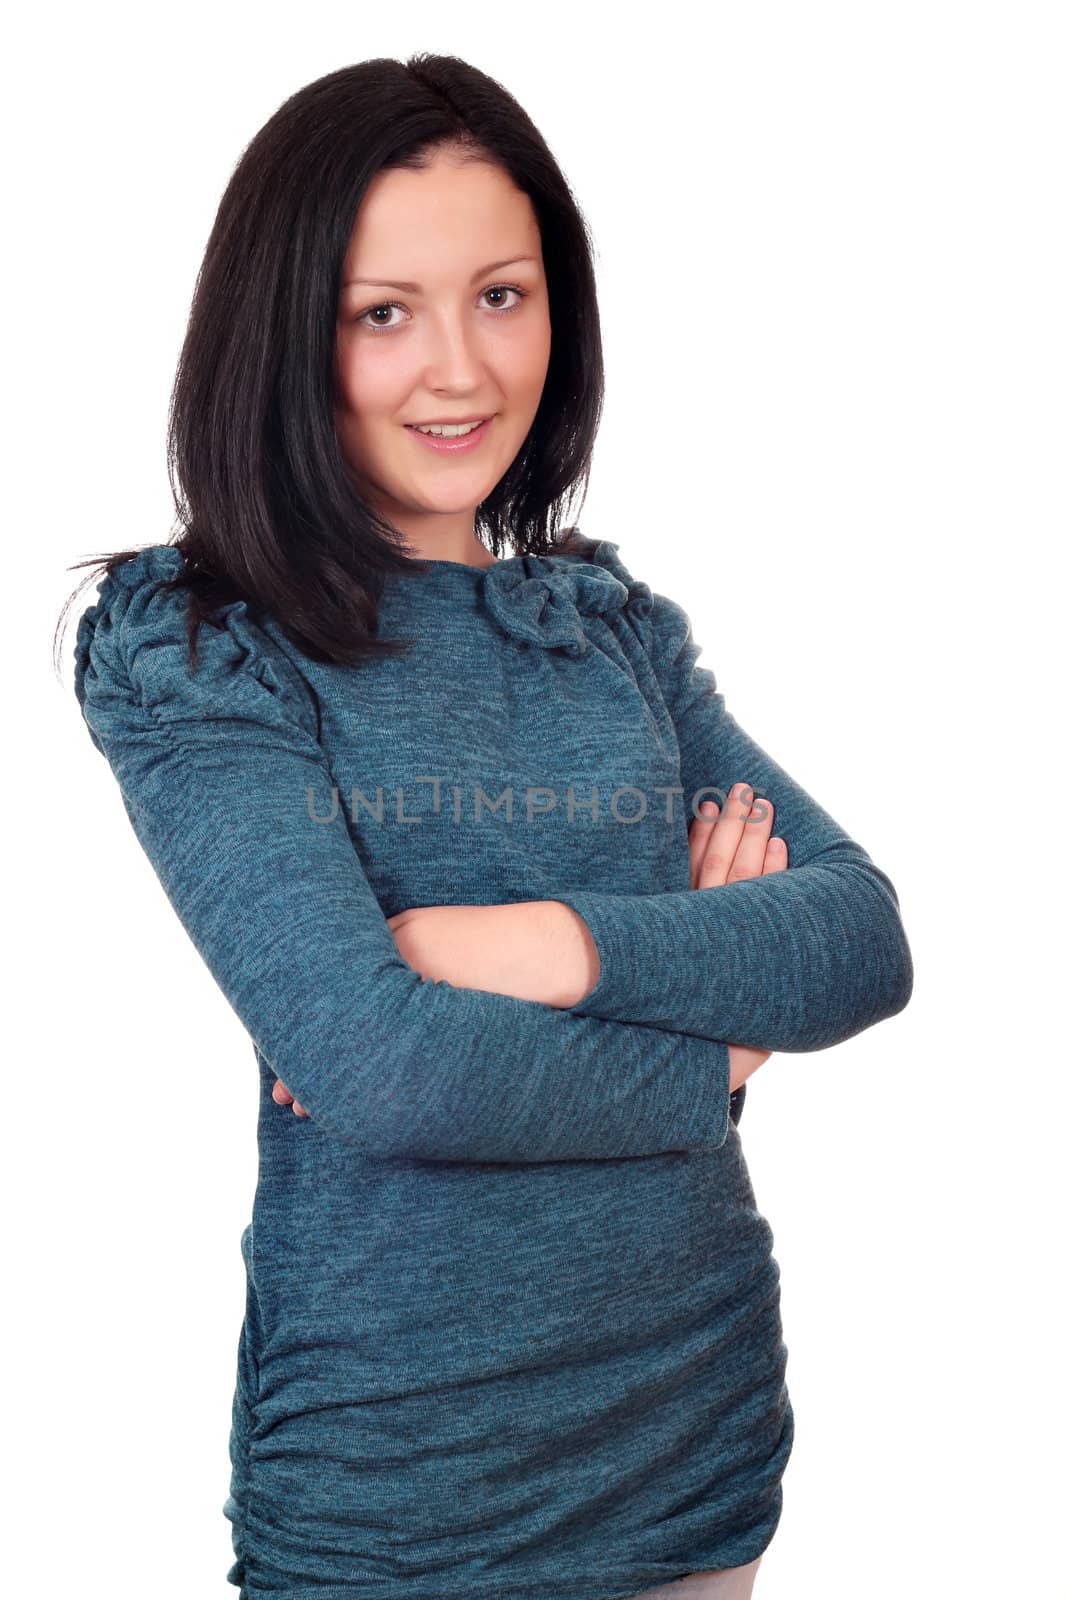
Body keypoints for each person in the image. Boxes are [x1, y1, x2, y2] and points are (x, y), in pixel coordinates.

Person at [61, 54, 914, 1600]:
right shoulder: (199, 645)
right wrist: (721, 1042)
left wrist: (533, 948)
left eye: (502, 295)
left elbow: (858, 939)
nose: (459, 368)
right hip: (409, 1501)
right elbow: (383, 1069)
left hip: (697, 1450)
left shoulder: (608, 628)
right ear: (285, 333)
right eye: (382, 312)